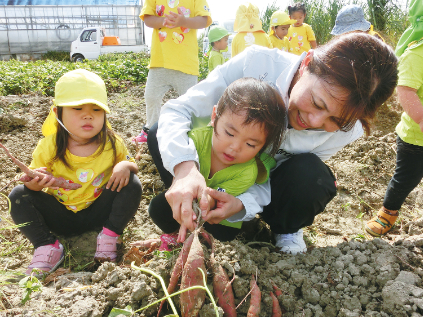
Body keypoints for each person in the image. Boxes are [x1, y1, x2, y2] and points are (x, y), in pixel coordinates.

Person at [147, 32, 398, 254]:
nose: (315, 121)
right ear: (307, 63)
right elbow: (179, 111)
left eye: (337, 119)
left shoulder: (347, 130)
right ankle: (189, 199)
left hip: (255, 185)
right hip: (210, 163)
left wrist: (243, 204)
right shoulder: (255, 64)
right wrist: (185, 169)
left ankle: (285, 229)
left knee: (311, 175)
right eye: (318, 103)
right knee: (160, 133)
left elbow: (282, 176)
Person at [8, 69, 142, 275]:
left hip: (99, 213)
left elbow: (131, 164)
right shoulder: (49, 146)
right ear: (57, 113)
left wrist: (124, 166)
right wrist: (35, 181)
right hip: (61, 217)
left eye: (96, 110)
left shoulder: (112, 143)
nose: (88, 115)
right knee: (18, 196)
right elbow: (32, 184)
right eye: (77, 108)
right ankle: (47, 245)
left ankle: (110, 235)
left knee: (132, 183)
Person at [148, 77, 287, 242]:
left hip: (218, 215)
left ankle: (202, 237)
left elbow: (215, 202)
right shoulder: (195, 140)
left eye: (250, 144)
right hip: (191, 199)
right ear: (214, 117)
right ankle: (176, 234)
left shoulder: (248, 171)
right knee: (158, 208)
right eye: (229, 133)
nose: (235, 147)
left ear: (263, 147)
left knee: (222, 235)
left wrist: (200, 202)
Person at [366, 0, 423, 237]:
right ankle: (388, 213)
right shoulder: (417, 54)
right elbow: (406, 90)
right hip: (415, 138)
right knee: (404, 179)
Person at [132, 0, 212, 144]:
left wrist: (184, 21)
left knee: (190, 101)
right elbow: (148, 19)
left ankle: (191, 131)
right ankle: (151, 129)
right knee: (151, 96)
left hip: (186, 63)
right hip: (160, 61)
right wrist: (164, 20)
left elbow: (204, 20)